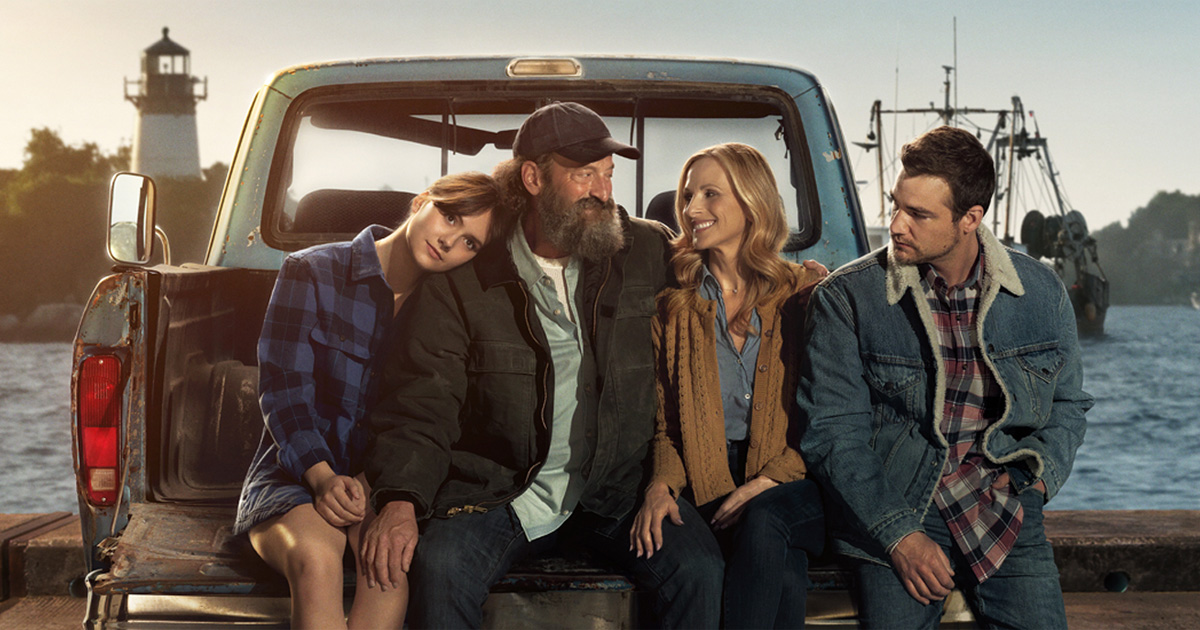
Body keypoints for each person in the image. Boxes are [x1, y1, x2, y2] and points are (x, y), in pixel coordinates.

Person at [359, 101, 721, 628]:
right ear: (532, 178)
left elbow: (726, 278)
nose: (603, 191)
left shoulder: (645, 249)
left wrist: (797, 282)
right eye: (584, 175)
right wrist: (400, 501)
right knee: (440, 569)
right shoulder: (465, 273)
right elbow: (423, 400)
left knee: (699, 569)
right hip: (499, 493)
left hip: (618, 489)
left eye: (608, 174)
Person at [797, 126, 1091, 629]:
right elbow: (832, 433)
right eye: (896, 206)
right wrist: (899, 537)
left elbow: (1068, 404)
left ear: (969, 219)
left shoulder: (1041, 293)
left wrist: (1039, 479)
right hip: (898, 505)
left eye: (919, 214)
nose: (897, 225)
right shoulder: (848, 297)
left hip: (1003, 501)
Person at [233, 172, 515, 630]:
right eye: (449, 217)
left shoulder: (450, 309)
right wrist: (323, 478)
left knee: (387, 572)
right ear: (422, 201)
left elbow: (437, 414)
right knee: (316, 560)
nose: (450, 242)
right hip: (297, 474)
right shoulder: (313, 271)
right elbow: (283, 388)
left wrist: (373, 482)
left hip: (381, 486)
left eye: (470, 243)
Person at [630, 142, 828, 629]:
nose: (691, 208)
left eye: (710, 194)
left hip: (793, 479)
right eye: (687, 195)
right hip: (705, 474)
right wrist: (661, 485)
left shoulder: (804, 294)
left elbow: (825, 417)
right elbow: (666, 425)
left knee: (768, 531)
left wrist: (768, 481)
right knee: (779, 576)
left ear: (751, 201)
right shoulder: (672, 307)